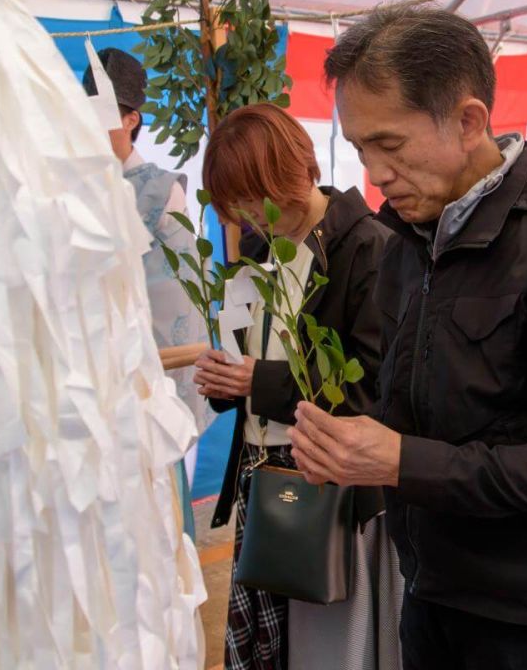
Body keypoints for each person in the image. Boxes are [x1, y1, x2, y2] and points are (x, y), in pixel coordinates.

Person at [288, 4, 527, 670]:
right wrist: (350, 446)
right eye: (361, 151)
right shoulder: (407, 243)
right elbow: (411, 406)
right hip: (426, 585)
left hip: (524, 614)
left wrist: (400, 462)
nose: (375, 174)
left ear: (471, 121)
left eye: (389, 146)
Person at [194, 103, 400, 670]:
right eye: (233, 207)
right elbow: (251, 363)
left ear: (293, 173)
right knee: (265, 645)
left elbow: (370, 391)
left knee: (325, 644)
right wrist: (226, 381)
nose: (245, 219)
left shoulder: (367, 249)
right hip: (262, 480)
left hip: (327, 485)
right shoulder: (260, 250)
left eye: (250, 201)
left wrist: (256, 380)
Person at [82, 48, 209, 434]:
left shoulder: (161, 189)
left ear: (130, 119)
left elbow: (178, 295)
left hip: (156, 363)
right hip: (93, 361)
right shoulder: (77, 188)